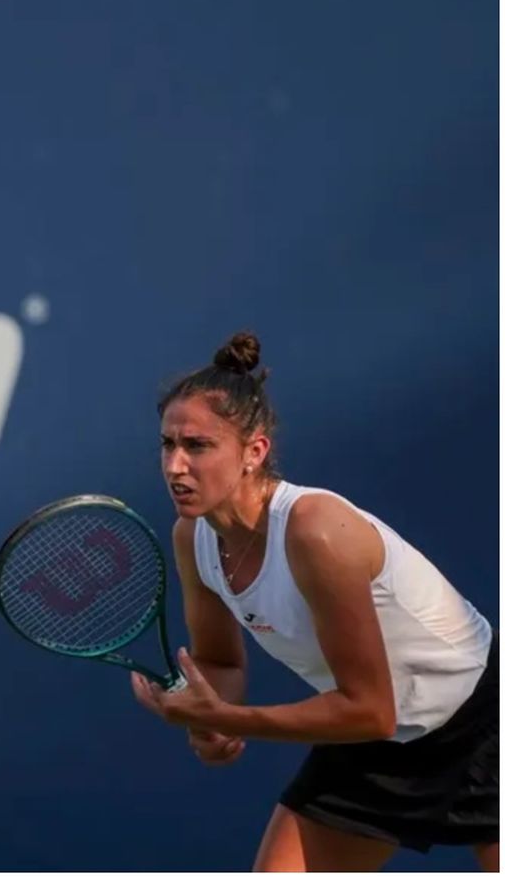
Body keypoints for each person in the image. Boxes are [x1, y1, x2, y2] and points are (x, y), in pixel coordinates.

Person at [131, 331, 497, 872]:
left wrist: (236, 716)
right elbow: (222, 661)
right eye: (168, 444)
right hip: (379, 743)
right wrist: (208, 716)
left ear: (254, 451)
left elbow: (370, 708)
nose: (175, 466)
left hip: (484, 720)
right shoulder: (194, 539)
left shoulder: (315, 530)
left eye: (198, 446)